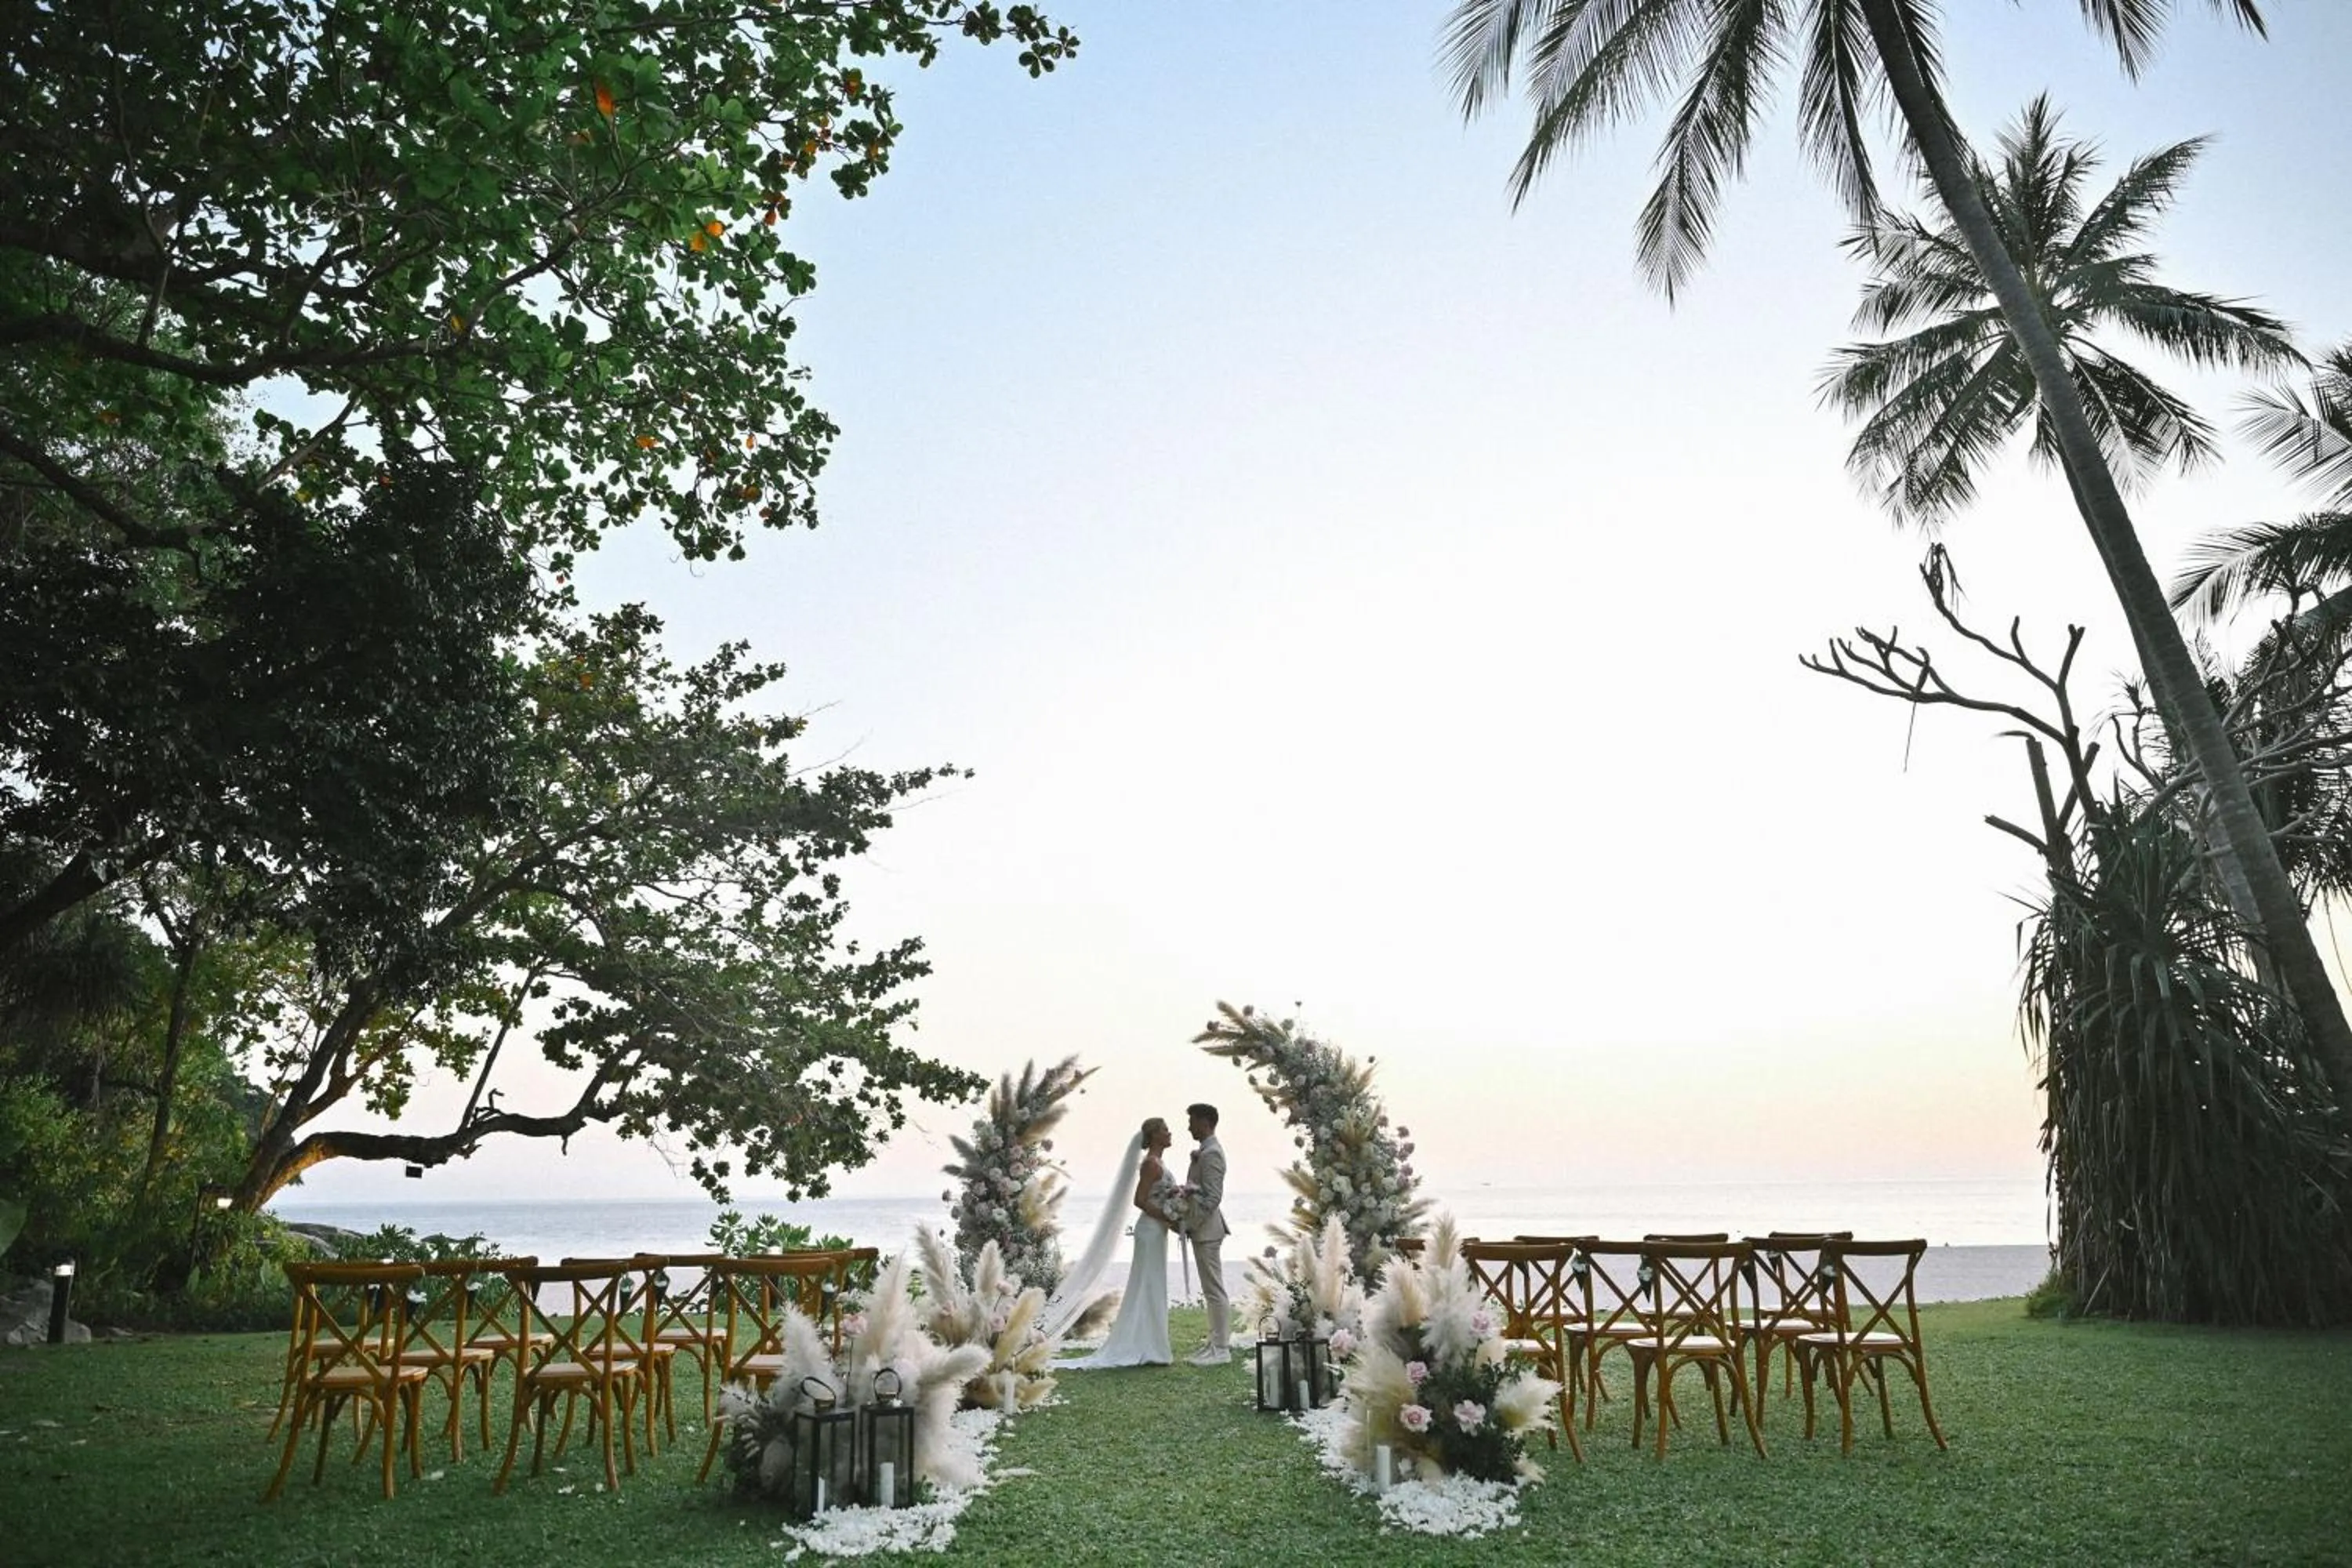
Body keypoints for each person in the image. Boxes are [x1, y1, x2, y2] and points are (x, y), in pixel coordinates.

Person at [1047, 1117, 1177, 1368]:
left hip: (1157, 1231)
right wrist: (1167, 1216)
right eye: (1164, 1130)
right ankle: (1148, 1347)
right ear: (1154, 1136)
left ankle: (1152, 1344)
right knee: (1147, 1285)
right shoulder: (1151, 1164)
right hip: (1150, 1231)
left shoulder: (1159, 1163)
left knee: (1152, 1285)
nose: (1170, 1133)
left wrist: (1173, 1217)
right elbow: (1140, 1200)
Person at [1180, 1102, 1232, 1364]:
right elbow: (1200, 1191)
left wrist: (1191, 1223)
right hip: (1205, 1231)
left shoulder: (1212, 1153)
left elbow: (1212, 1198)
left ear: (1205, 1122)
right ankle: (1214, 1343)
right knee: (1210, 1290)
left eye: (1192, 1121)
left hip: (1208, 1231)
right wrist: (1186, 1191)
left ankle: (1221, 1349)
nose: (1188, 1126)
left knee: (1214, 1291)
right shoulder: (1205, 1151)